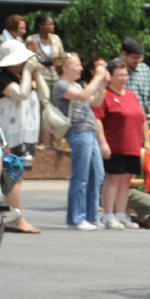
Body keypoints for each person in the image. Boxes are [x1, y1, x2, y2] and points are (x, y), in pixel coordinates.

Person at [55, 53, 109, 230]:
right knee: (81, 176)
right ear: (65, 67)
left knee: (97, 174)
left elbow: (95, 102)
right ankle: (76, 218)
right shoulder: (61, 85)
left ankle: (91, 216)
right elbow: (83, 95)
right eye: (77, 65)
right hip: (78, 132)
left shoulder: (76, 84)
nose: (80, 68)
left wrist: (102, 85)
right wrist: (98, 76)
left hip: (90, 131)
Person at [94, 59, 148, 230]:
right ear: (111, 76)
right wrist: (103, 142)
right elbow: (98, 119)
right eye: (119, 75)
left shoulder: (131, 95)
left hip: (132, 145)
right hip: (115, 144)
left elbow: (142, 119)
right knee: (113, 179)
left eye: (125, 75)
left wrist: (146, 141)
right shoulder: (106, 95)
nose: (123, 78)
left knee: (126, 180)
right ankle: (108, 215)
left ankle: (120, 213)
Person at [0, 40, 42, 233]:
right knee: (12, 174)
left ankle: (11, 216)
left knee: (15, 175)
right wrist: (27, 72)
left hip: (21, 134)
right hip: (7, 134)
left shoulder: (17, 76)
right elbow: (22, 94)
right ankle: (16, 218)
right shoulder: (3, 77)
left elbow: (44, 95)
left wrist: (36, 73)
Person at [118, 37, 150, 126]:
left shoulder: (144, 69)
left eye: (140, 57)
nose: (138, 61)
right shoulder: (111, 70)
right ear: (123, 54)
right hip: (121, 122)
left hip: (142, 121)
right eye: (134, 58)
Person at [25, 13, 66, 94]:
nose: (52, 26)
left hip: (55, 76)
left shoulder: (56, 38)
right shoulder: (31, 39)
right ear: (41, 26)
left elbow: (61, 56)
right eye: (49, 24)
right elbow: (29, 59)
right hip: (40, 77)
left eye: (53, 24)